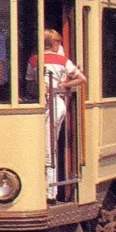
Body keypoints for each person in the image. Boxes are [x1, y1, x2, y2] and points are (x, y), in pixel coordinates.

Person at [31, 29, 86, 201]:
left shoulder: (34, 59)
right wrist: (65, 84)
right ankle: (50, 191)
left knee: (44, 146)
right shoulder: (63, 60)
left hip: (42, 105)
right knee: (50, 146)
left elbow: (30, 83)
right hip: (57, 104)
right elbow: (82, 79)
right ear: (53, 43)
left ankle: (48, 190)